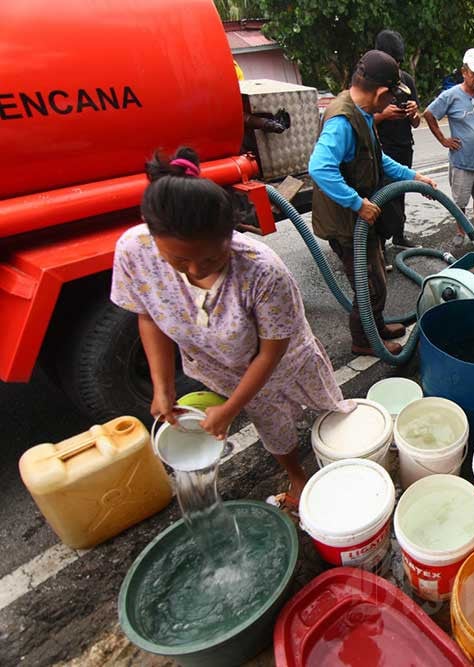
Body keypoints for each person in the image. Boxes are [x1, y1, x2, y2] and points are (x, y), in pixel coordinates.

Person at [111, 148, 355, 511]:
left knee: (329, 410)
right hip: (220, 366)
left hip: (283, 361)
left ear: (232, 234)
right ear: (152, 234)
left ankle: (347, 457)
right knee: (272, 426)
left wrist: (230, 409)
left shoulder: (261, 271)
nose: (194, 270)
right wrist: (163, 388)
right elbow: (148, 315)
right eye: (178, 260)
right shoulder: (134, 250)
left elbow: (272, 351)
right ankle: (299, 478)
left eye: (210, 258)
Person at [308, 50, 437, 357]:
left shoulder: (362, 112)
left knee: (376, 271)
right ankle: (363, 340)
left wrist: (414, 176)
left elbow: (377, 159)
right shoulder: (342, 120)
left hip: (361, 219)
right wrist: (357, 203)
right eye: (390, 95)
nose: (391, 102)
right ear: (381, 92)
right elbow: (319, 167)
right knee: (371, 284)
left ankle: (376, 325)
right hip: (345, 222)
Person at [424, 48, 474, 247]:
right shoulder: (451, 96)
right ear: (464, 72)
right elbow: (429, 114)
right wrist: (444, 140)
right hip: (461, 162)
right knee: (459, 202)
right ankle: (460, 230)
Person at [372, 30, 421, 249]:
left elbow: (416, 123)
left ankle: (399, 236)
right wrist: (383, 115)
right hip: (382, 149)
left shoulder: (406, 80)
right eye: (394, 62)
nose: (397, 68)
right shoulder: (371, 82)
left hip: (403, 146)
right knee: (381, 197)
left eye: (399, 62)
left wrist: (413, 113)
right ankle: (378, 244)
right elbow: (360, 121)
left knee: (400, 193)